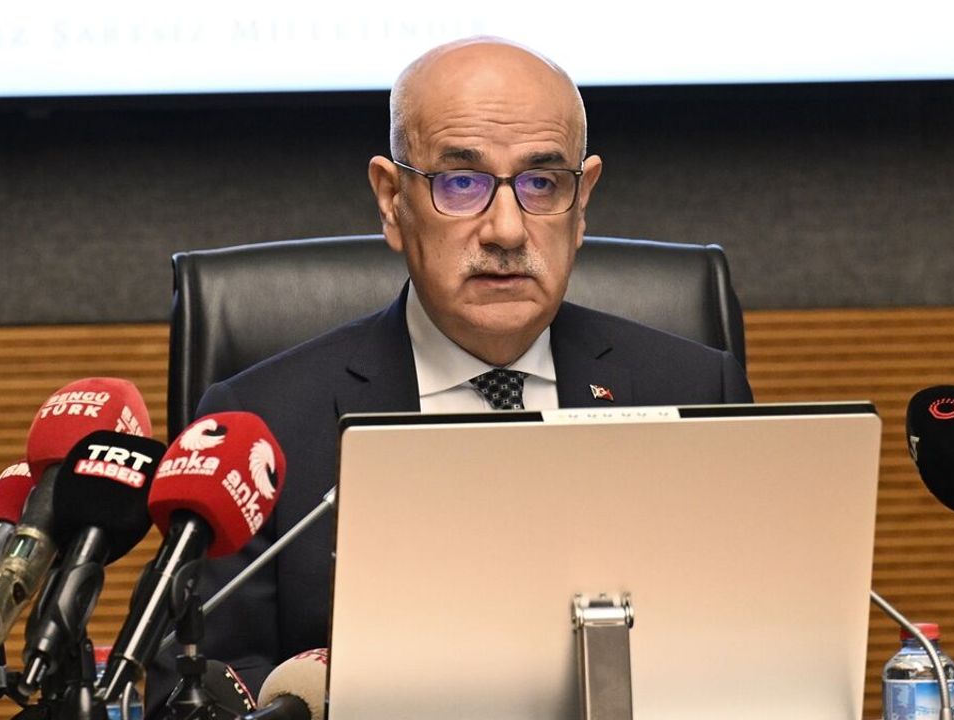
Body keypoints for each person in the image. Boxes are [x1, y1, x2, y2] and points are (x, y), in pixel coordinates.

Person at [145, 36, 752, 704]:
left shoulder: (697, 392)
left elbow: (759, 641)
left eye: (542, 183)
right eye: (461, 183)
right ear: (391, 200)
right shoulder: (263, 423)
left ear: (582, 204)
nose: (507, 231)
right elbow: (191, 678)